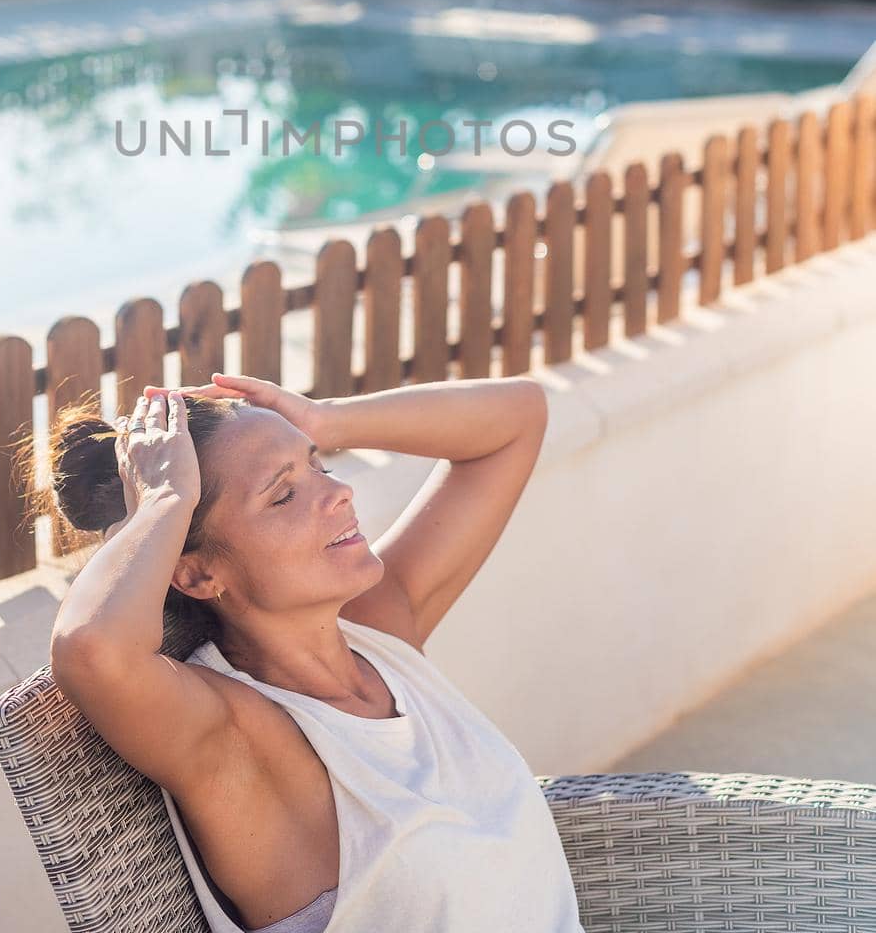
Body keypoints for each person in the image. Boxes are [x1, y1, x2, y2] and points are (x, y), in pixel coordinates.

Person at [43, 371, 585, 933]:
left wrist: (326, 419)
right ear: (197, 572)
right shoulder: (236, 738)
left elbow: (518, 415)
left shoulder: (380, 633)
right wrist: (163, 498)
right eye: (283, 495)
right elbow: (93, 652)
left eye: (319, 465)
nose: (339, 492)